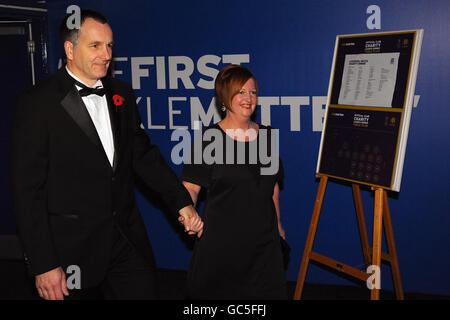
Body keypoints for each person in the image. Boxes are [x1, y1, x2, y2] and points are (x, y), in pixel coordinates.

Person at [8, 10, 203, 300]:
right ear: (70, 49)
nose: (106, 54)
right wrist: (44, 263)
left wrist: (182, 203)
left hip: (126, 241)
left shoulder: (121, 93)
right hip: (70, 252)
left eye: (109, 45)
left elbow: (143, 156)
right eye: (95, 45)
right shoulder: (37, 103)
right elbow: (27, 192)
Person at [179, 65, 287, 299]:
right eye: (241, 92)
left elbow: (272, 188)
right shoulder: (210, 139)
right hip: (221, 248)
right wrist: (189, 214)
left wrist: (278, 226)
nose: (248, 98)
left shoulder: (267, 137)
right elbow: (191, 187)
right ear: (225, 98)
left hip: (264, 248)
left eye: (253, 92)